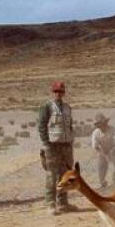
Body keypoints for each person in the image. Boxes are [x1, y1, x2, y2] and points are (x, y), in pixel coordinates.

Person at [38, 81, 74, 215]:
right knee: (51, 175)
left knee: (65, 175)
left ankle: (63, 203)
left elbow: (70, 125)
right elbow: (41, 126)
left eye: (60, 91)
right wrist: (46, 143)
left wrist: (70, 140)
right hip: (52, 146)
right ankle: (50, 204)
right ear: (53, 92)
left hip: (66, 145)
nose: (58, 94)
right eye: (56, 91)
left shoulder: (67, 107)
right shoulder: (46, 107)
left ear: (64, 93)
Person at [91, 113, 115, 188]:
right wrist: (105, 155)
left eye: (102, 123)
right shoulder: (96, 133)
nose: (101, 126)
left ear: (105, 123)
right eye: (99, 124)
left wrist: (111, 153)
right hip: (103, 151)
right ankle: (102, 182)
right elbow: (96, 147)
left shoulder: (113, 129)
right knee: (101, 166)